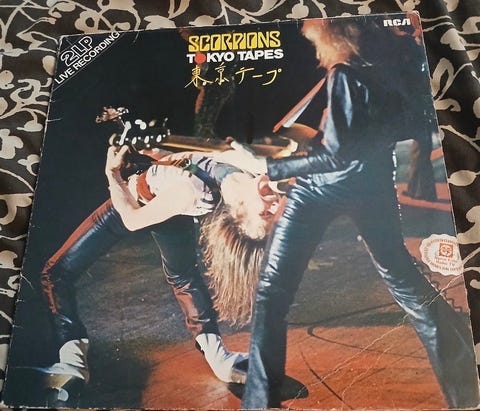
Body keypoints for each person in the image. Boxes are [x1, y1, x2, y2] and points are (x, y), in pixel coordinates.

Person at [214, 18, 480, 409]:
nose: (308, 33)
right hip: (373, 184)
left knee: (273, 292)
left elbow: (334, 156)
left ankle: (259, 403)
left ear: (332, 33)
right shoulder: (383, 64)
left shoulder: (345, 74)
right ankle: (466, 393)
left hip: (321, 188)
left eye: (313, 30)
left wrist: (271, 167)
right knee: (405, 285)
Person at [38, 143, 280, 399]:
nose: (275, 204)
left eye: (265, 213)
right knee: (183, 276)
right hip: (168, 195)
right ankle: (220, 359)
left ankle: (73, 363)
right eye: (276, 213)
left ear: (237, 213)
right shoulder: (252, 174)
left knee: (55, 273)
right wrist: (161, 158)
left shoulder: (190, 192)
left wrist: (113, 175)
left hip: (137, 199)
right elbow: (198, 161)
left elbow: (132, 219)